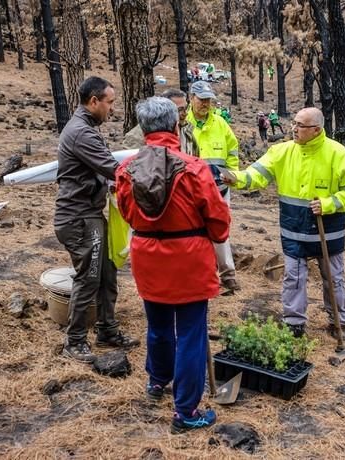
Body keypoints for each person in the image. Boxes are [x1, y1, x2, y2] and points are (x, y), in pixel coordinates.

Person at [115, 96, 230, 433]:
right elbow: (219, 219)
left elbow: (125, 212)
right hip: (189, 258)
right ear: (175, 125)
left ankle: (157, 380)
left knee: (158, 324)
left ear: (143, 127)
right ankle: (186, 411)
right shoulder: (195, 168)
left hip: (147, 255)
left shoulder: (126, 170)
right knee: (192, 334)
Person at [222, 107, 345, 339]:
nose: (294, 129)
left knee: (333, 277)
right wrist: (234, 178)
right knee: (293, 276)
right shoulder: (282, 151)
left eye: (300, 126)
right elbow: (255, 174)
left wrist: (329, 203)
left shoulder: (337, 153)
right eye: (294, 124)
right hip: (294, 229)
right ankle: (294, 322)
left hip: (328, 231)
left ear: (316, 130)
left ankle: (339, 320)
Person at [54, 76, 138, 363]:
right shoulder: (82, 133)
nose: (112, 109)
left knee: (106, 273)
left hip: (89, 214)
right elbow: (114, 168)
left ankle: (107, 330)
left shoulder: (84, 128)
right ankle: (74, 341)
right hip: (78, 217)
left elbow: (101, 171)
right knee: (88, 277)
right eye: (110, 102)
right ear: (93, 101)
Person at [186, 80, 240, 291]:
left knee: (221, 230)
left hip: (219, 190)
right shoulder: (183, 123)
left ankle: (228, 274)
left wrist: (232, 174)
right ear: (191, 98)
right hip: (191, 191)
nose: (206, 104)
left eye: (209, 100)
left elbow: (233, 151)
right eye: (202, 99)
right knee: (193, 233)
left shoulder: (220, 124)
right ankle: (198, 275)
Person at [123, 88, 199, 157]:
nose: (185, 113)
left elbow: (195, 158)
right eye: (179, 110)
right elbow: (133, 166)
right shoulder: (135, 136)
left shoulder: (186, 130)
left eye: (186, 108)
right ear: (165, 109)